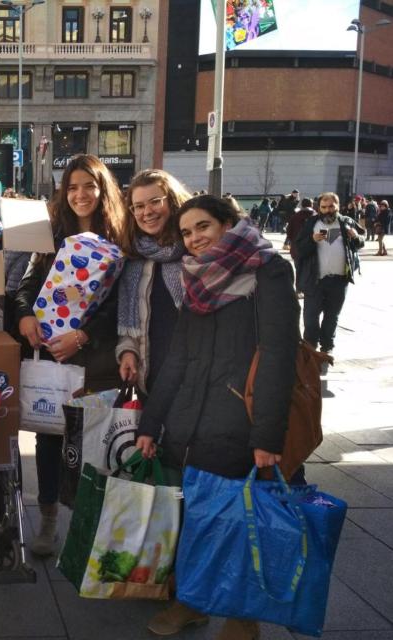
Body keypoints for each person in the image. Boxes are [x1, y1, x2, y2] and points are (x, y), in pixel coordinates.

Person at [137, 195, 299, 640]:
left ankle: (242, 618)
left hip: (239, 422)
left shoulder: (268, 271)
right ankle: (190, 601)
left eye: (203, 227)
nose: (194, 239)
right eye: (187, 233)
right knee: (196, 520)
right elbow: (177, 358)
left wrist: (267, 436)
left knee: (237, 524)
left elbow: (278, 357)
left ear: (230, 223)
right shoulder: (199, 279)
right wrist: (151, 423)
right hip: (192, 422)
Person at [14, 154, 125, 556]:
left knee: (89, 440)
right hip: (51, 353)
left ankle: (87, 518)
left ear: (102, 189)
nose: (81, 194)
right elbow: (26, 285)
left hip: (93, 359)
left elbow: (120, 306)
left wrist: (84, 336)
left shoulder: (119, 238)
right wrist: (26, 316)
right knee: (47, 437)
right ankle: (47, 518)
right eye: (73, 187)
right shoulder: (51, 235)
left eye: (89, 186)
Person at [116, 169, 192, 396]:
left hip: (192, 382)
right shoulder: (133, 260)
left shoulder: (194, 252)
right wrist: (128, 352)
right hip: (151, 380)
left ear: (173, 201)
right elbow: (130, 322)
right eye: (138, 206)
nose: (146, 212)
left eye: (155, 202)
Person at [294, 192, 364, 358]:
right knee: (310, 318)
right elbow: (299, 250)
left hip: (339, 281)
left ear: (338, 206)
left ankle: (327, 347)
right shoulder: (311, 223)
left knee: (332, 317)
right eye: (324, 207)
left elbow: (361, 241)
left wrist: (356, 237)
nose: (327, 210)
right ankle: (310, 348)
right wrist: (312, 239)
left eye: (331, 206)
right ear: (319, 208)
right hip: (315, 281)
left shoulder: (346, 222)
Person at [285, 197, 316, 262]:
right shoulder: (316, 216)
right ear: (311, 205)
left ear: (302, 205)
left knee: (298, 268)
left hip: (297, 248)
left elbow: (289, 231)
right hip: (312, 249)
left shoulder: (295, 216)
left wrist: (292, 241)